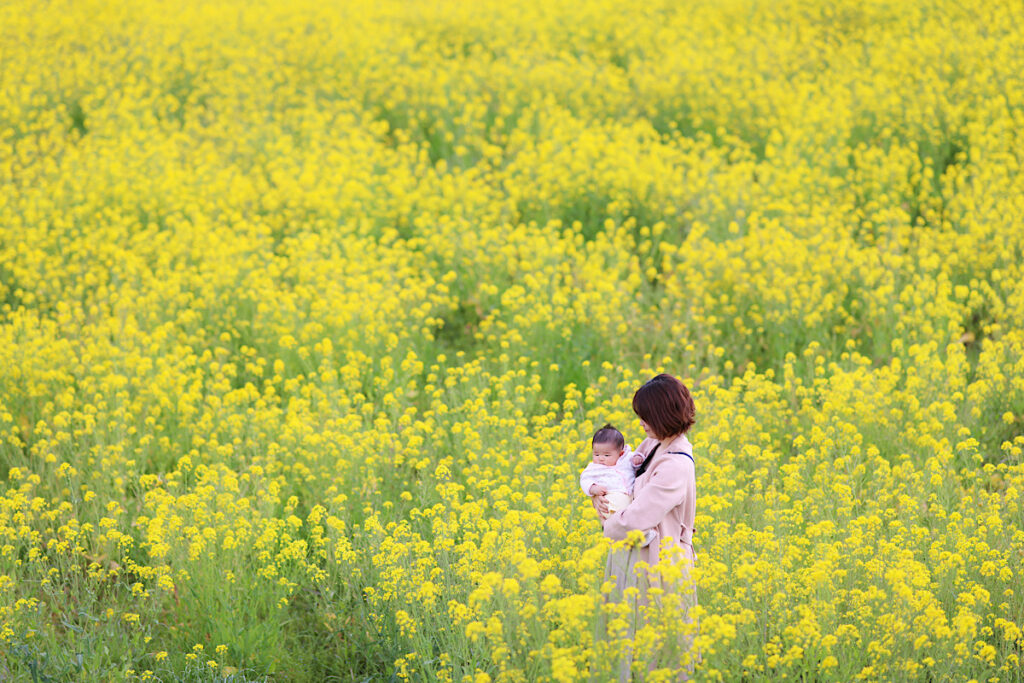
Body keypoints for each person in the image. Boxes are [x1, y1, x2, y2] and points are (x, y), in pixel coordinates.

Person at [591, 373, 700, 681]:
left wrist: (607, 523)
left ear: (664, 417)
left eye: (646, 417)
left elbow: (638, 516)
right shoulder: (654, 442)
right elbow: (621, 475)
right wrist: (599, 496)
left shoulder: (676, 464)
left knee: (654, 654)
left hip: (658, 566)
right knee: (627, 645)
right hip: (637, 556)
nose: (640, 423)